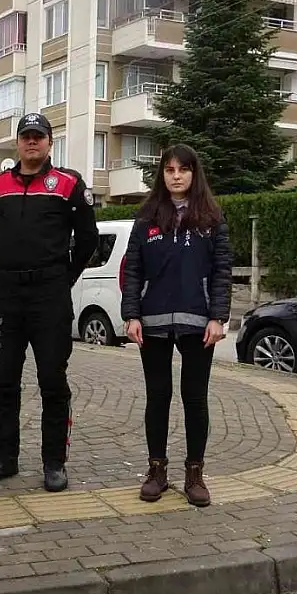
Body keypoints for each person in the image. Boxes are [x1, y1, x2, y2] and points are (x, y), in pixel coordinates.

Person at [0, 113, 100, 493]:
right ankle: (5, 458)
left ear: (49, 142)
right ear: (18, 142)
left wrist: (63, 278)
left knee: (52, 380)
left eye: (39, 137)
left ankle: (54, 463)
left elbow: (88, 240)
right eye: (26, 137)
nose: (32, 143)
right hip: (6, 296)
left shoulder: (68, 184)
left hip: (50, 296)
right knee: (4, 381)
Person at [119, 143, 232, 508]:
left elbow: (221, 272)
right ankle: (156, 470)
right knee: (158, 397)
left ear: (194, 174)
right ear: (162, 175)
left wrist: (218, 317)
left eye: (183, 169)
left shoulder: (212, 218)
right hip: (151, 322)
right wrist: (131, 314)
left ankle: (195, 474)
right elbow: (133, 269)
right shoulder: (147, 216)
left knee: (195, 399)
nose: (176, 176)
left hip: (199, 324)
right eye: (169, 170)